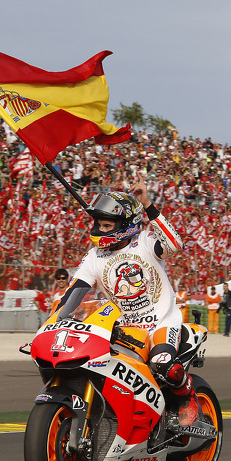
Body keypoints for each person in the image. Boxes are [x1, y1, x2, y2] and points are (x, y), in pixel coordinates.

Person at [52, 181, 202, 427]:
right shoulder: (93, 256)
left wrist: (147, 204)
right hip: (124, 328)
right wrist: (54, 321)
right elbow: (74, 293)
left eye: (106, 225)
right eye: (99, 224)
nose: (100, 229)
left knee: (162, 364)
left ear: (124, 225)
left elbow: (175, 244)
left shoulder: (144, 241)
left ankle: (188, 397)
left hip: (161, 323)